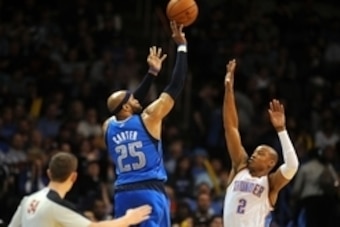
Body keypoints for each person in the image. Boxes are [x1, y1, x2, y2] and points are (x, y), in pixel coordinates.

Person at [103, 21, 187, 227]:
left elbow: (127, 107)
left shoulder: (107, 126)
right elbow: (175, 86)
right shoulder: (150, 117)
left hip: (122, 195)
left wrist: (152, 73)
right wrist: (181, 47)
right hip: (149, 192)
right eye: (130, 98)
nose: (136, 97)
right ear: (125, 107)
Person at [222, 59, 299, 227]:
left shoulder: (270, 184)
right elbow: (231, 127)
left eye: (261, 153)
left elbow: (292, 166)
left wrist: (281, 130)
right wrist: (229, 90)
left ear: (271, 163)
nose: (255, 154)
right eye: (256, 151)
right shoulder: (239, 166)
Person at [8, 152, 152, 227]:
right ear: (74, 177)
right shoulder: (56, 206)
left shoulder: (27, 200)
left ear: (49, 173)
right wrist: (128, 219)